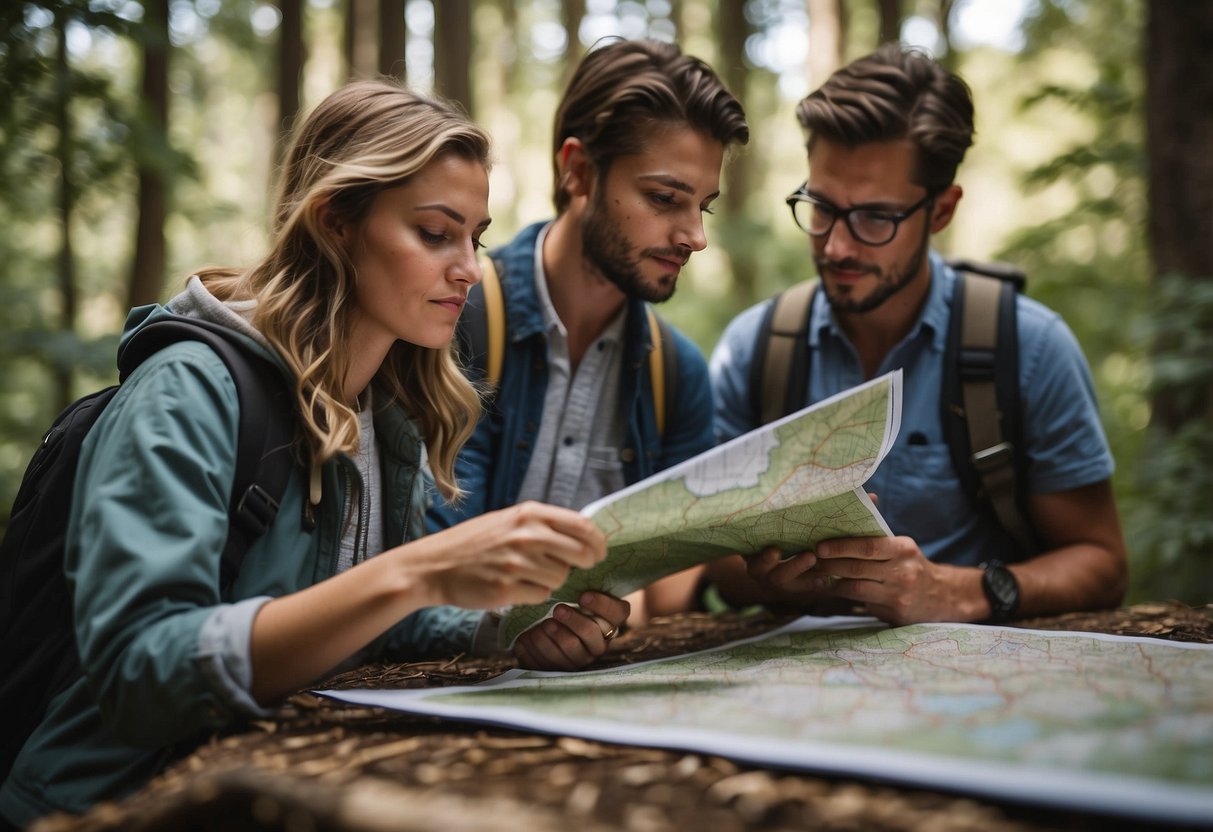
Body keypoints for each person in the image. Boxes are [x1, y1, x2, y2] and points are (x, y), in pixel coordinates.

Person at [0, 80, 630, 828]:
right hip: (104, 806)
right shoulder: (187, 392)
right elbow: (142, 671)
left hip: (260, 790)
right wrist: (416, 570)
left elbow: (361, 618)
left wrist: (511, 627)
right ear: (335, 222)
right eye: (435, 233)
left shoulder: (384, 409)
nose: (468, 267)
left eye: (476, 237)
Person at [707, 44, 1128, 626]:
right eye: (822, 206)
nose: (836, 246)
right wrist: (771, 578)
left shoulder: (1028, 349)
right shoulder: (756, 349)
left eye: (876, 217)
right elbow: (716, 567)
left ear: (942, 210)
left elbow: (1102, 562)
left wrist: (963, 592)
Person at [427, 39, 749, 625]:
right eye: (664, 198)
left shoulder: (676, 372)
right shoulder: (455, 322)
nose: (695, 236)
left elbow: (674, 585)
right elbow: (428, 559)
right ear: (577, 170)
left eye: (702, 205)